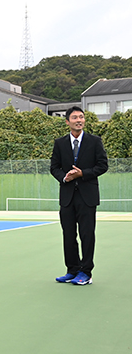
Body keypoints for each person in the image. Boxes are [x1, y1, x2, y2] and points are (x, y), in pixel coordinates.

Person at [50, 106, 108, 286]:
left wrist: (83, 174)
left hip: (87, 196)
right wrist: (65, 177)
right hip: (67, 196)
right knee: (68, 235)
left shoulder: (94, 141)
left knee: (87, 234)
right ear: (67, 121)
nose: (79, 120)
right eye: (74, 117)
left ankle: (86, 272)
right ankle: (72, 270)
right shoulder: (59, 143)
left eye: (81, 117)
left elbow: (102, 166)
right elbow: (54, 168)